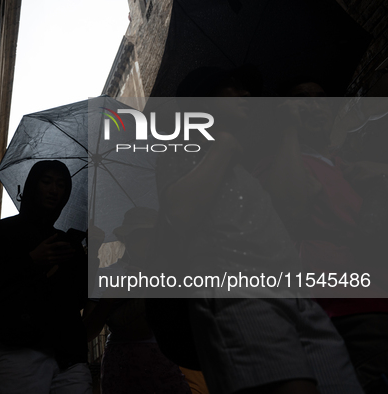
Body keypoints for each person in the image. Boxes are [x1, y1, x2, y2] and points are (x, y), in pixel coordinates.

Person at [155, 66, 363, 394]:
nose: (247, 95)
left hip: (297, 297)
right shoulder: (185, 149)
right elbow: (180, 211)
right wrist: (222, 145)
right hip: (240, 293)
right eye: (231, 88)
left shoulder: (247, 167)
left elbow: (287, 215)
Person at [256, 78, 388, 393]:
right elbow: (291, 206)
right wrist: (288, 128)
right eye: (304, 99)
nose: (317, 106)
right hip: (349, 308)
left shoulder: (347, 163)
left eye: (321, 99)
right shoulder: (279, 164)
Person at [0, 160, 91, 394]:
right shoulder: (5, 231)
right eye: (46, 182)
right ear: (32, 185)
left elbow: (78, 300)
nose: (54, 190)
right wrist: (32, 261)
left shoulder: (66, 242)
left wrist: (82, 261)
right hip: (19, 349)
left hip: (69, 356)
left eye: (61, 185)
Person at [83, 207, 194, 394]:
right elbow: (87, 332)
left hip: (164, 362)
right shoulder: (107, 275)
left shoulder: (171, 276)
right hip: (121, 364)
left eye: (152, 235)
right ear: (126, 238)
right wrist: (109, 298)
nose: (147, 242)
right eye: (139, 235)